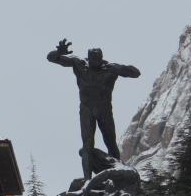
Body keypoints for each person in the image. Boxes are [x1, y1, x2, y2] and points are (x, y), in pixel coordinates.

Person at [46, 39, 140, 179]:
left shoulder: (110, 69)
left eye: (98, 59)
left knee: (111, 143)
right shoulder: (79, 64)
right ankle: (87, 180)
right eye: (92, 59)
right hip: (86, 110)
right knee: (87, 145)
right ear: (88, 58)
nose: (95, 61)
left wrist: (119, 68)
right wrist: (60, 52)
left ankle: (117, 176)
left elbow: (136, 73)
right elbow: (51, 58)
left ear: (101, 58)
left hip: (104, 111)